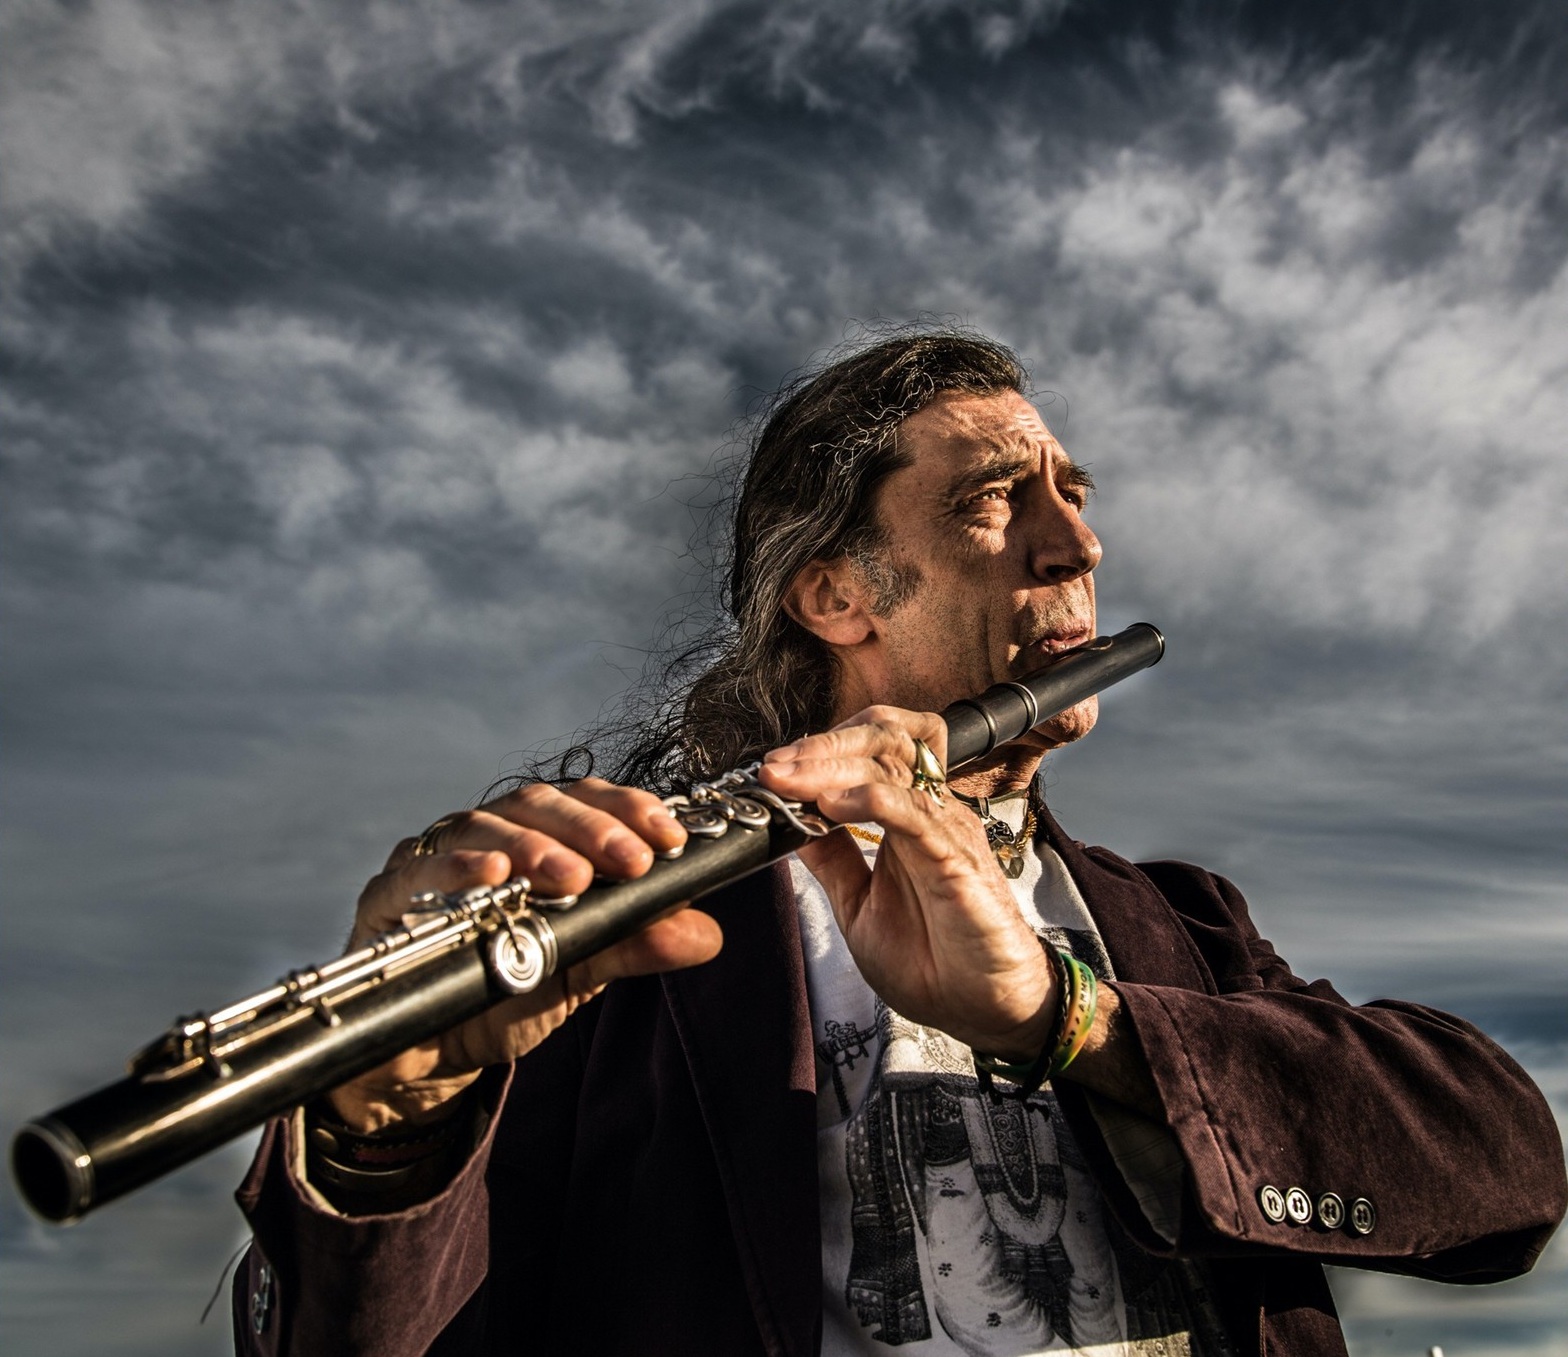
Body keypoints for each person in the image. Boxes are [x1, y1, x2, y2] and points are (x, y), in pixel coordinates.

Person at [232, 332, 1565, 1357]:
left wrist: (1073, 1017)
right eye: (1000, 499)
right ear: (834, 594)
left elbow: (1506, 1174)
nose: (1080, 543)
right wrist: (377, 1120)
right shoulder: (628, 923)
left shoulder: (1182, 922)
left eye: (1075, 495)